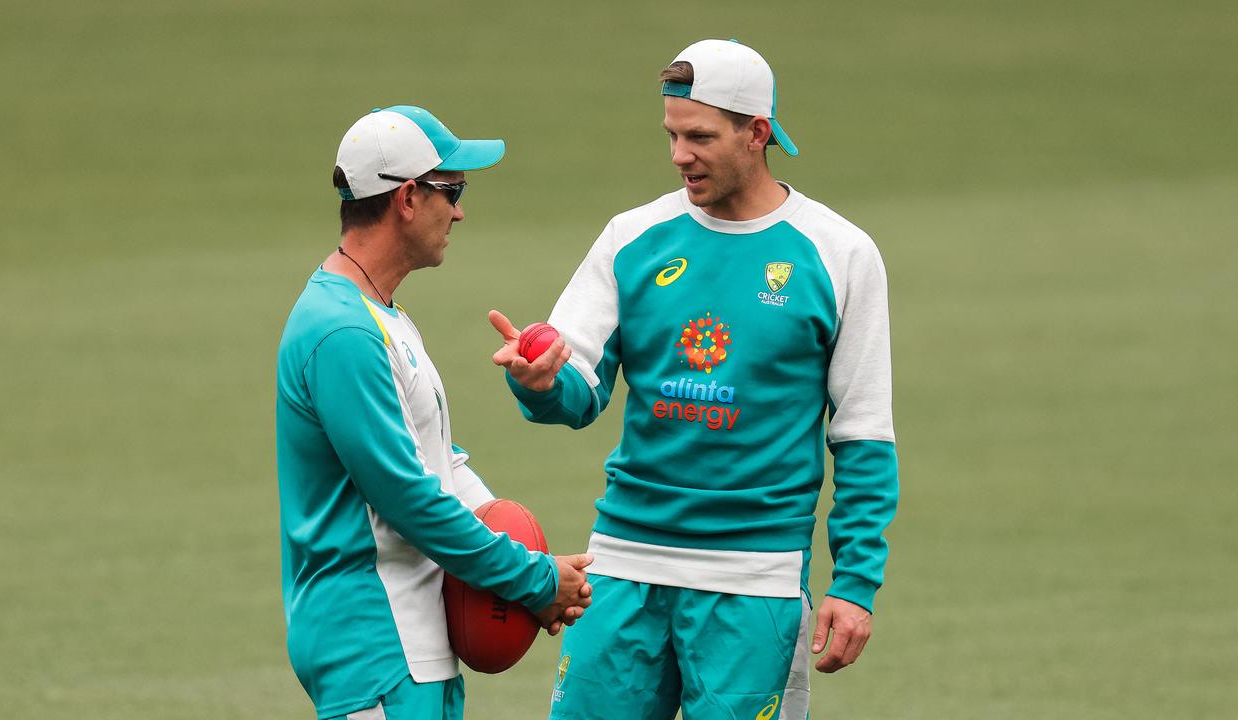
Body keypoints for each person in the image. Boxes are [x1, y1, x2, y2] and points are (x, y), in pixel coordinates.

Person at [489, 39, 899, 719]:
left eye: (701, 137)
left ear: (757, 132)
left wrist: (854, 583)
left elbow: (863, 438)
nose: (680, 154)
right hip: (623, 566)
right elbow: (579, 388)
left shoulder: (840, 255)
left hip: (753, 582)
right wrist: (538, 383)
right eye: (673, 135)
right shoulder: (633, 237)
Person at [276, 105, 593, 720]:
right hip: (375, 644)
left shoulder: (381, 315)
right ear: (407, 198)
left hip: (413, 644)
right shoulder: (342, 332)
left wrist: (535, 568)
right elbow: (408, 496)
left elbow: (436, 465)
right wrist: (531, 579)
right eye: (452, 191)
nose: (461, 211)